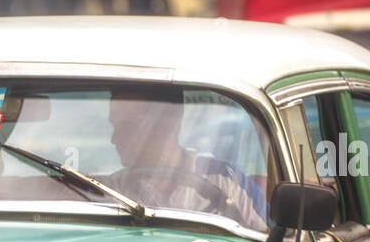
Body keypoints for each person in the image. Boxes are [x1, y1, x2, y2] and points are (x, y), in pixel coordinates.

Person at [104, 88, 268, 231]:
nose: (114, 138)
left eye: (127, 126)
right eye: (114, 126)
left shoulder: (226, 182)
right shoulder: (109, 192)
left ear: (167, 123)